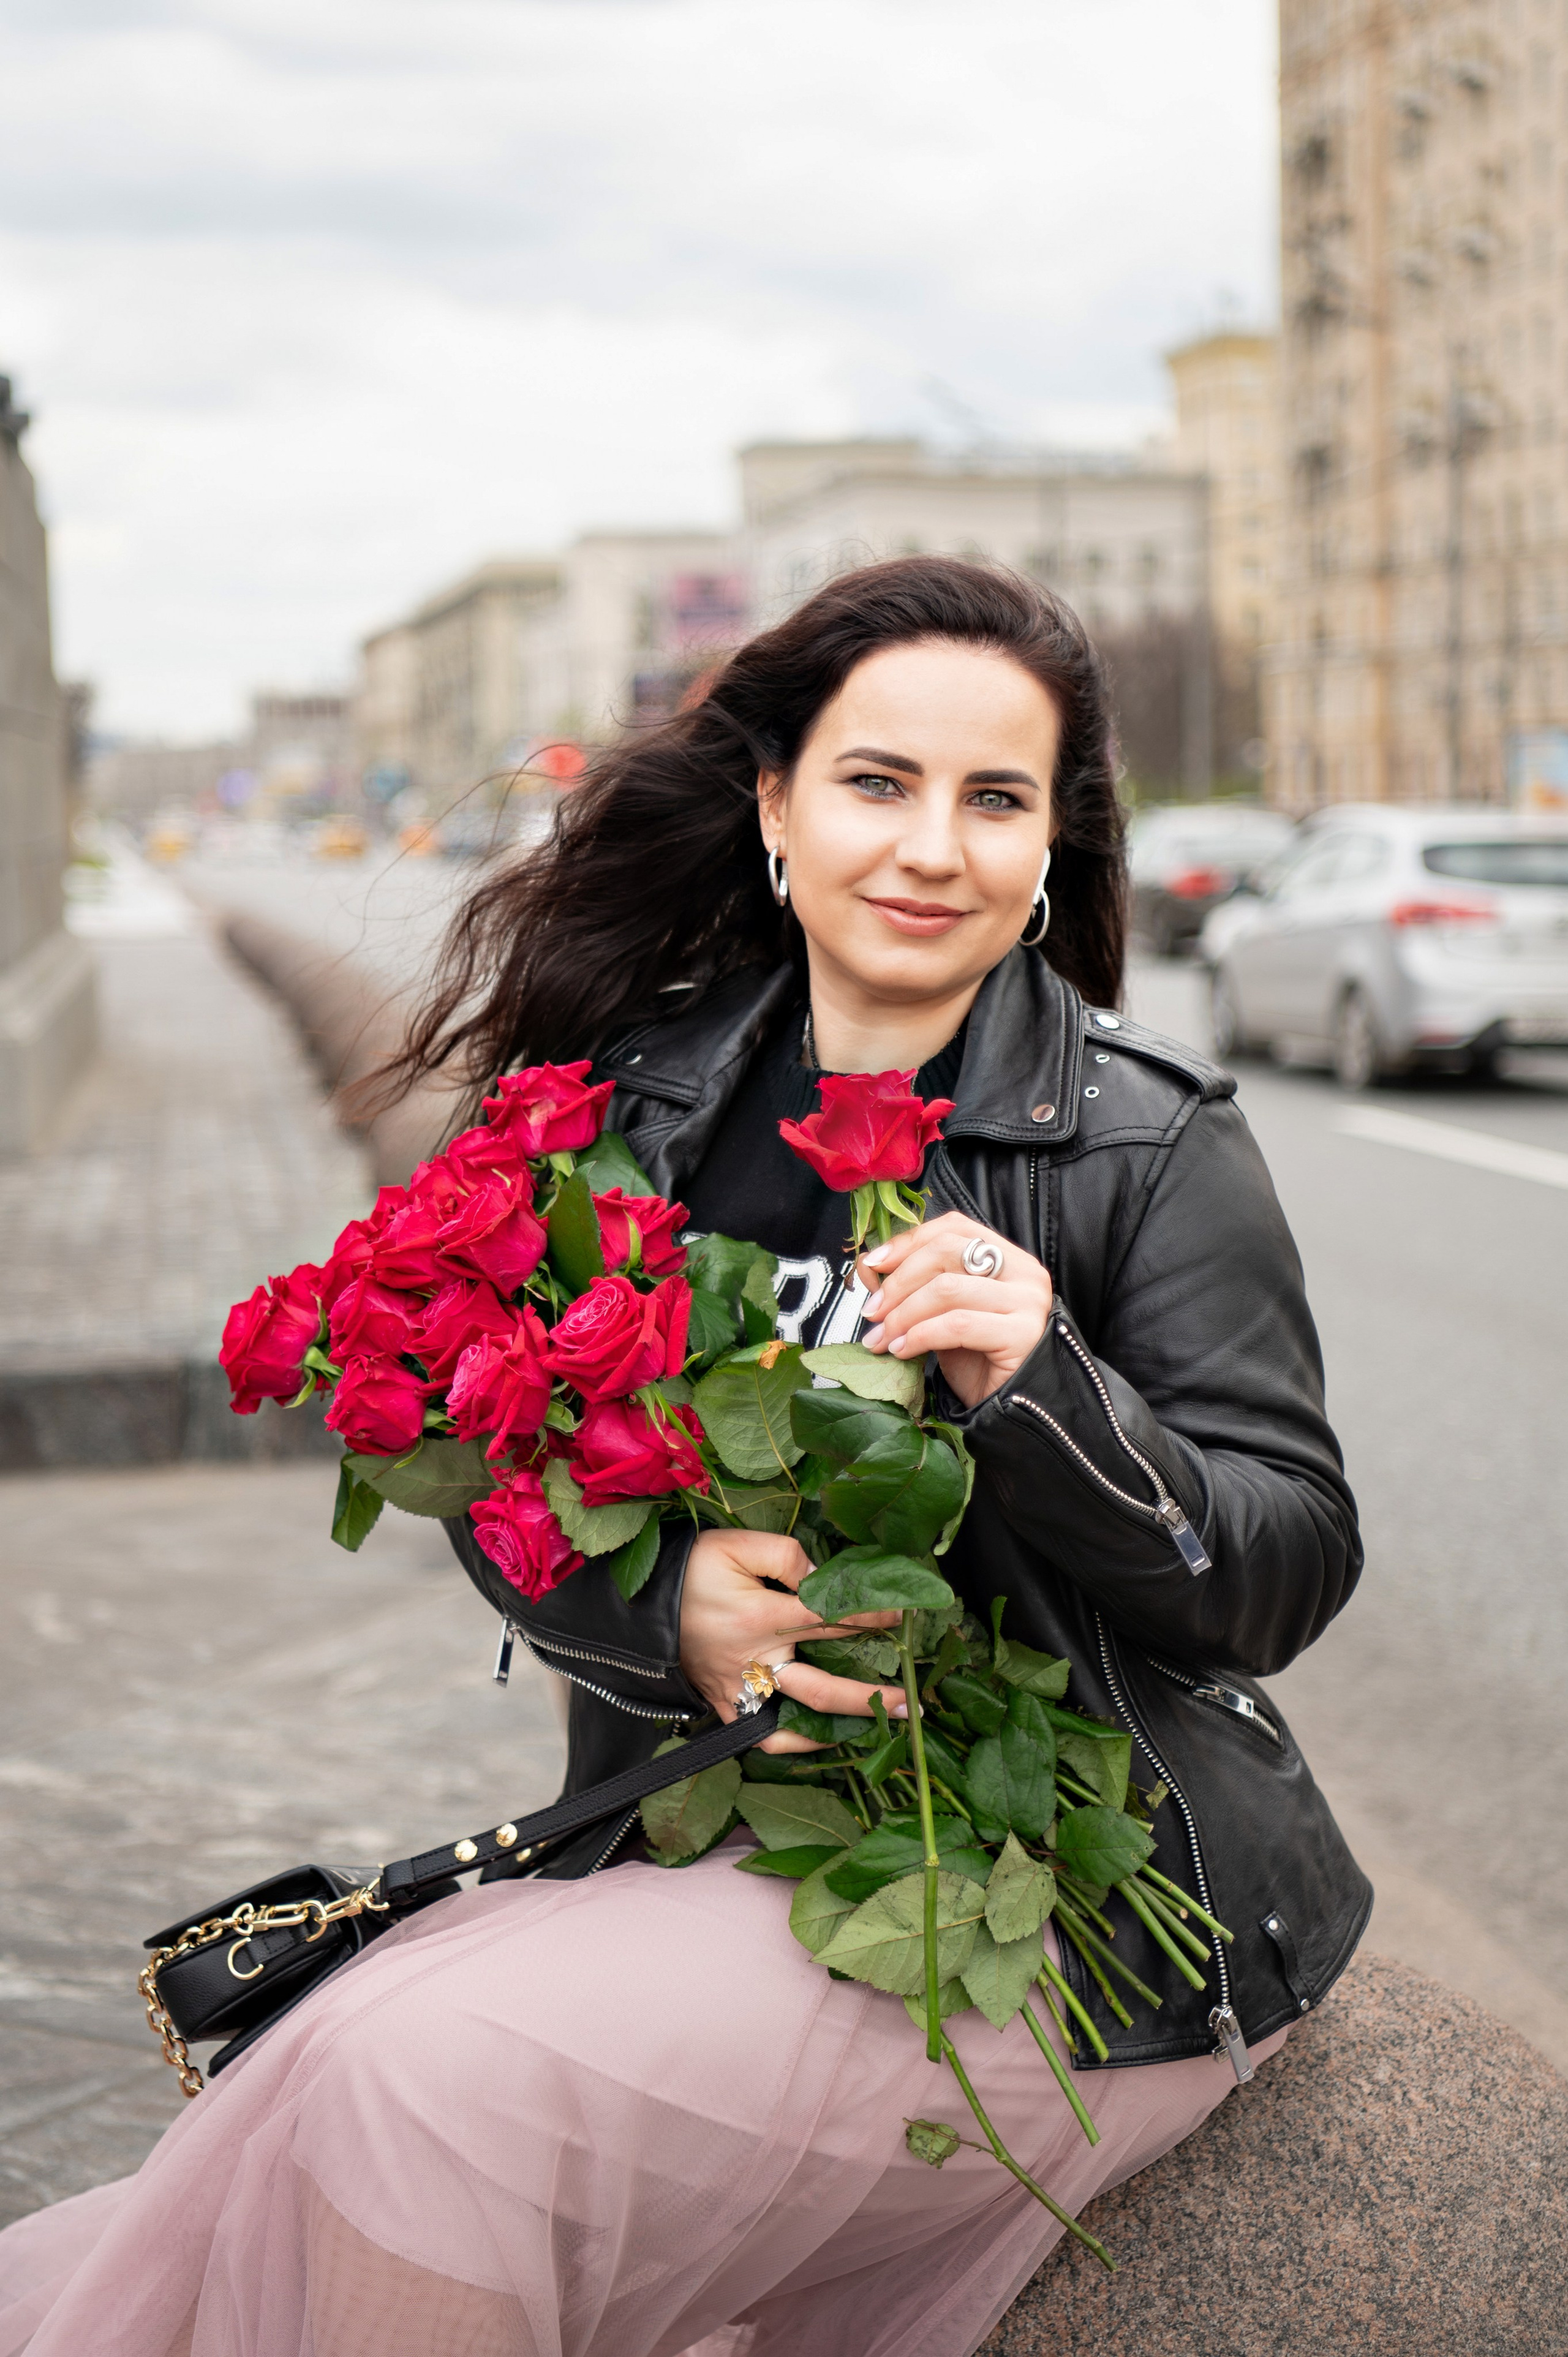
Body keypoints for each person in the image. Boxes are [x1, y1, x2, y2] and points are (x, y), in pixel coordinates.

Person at [0, 558, 1367, 2357]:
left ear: (1052, 846)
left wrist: (1046, 1384)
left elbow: (1284, 1564)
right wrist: (670, 1615)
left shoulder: (1147, 1145)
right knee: (335, 2065)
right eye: (877, 783)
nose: (931, 848)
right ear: (777, 807)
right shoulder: (631, 1103)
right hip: (708, 1841)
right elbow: (504, 1476)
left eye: (994, 799)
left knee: (419, 2082)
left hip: (1063, 1904)